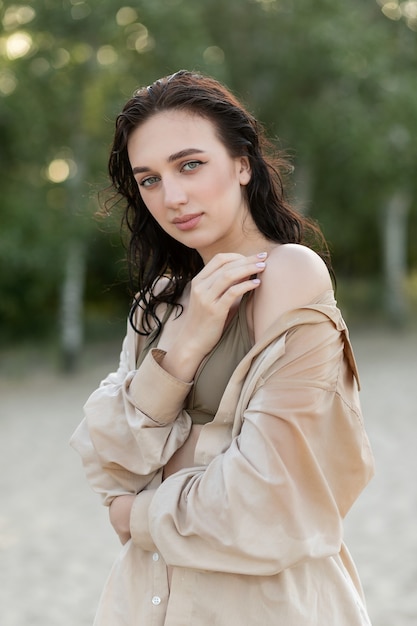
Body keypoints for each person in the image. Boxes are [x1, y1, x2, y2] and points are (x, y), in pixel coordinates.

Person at [70, 69, 375, 625]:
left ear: (242, 163)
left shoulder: (290, 274)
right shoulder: (162, 301)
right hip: (148, 601)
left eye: (190, 164)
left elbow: (270, 502)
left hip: (264, 607)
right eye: (150, 179)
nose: (173, 196)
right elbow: (110, 463)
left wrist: (136, 515)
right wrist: (183, 348)